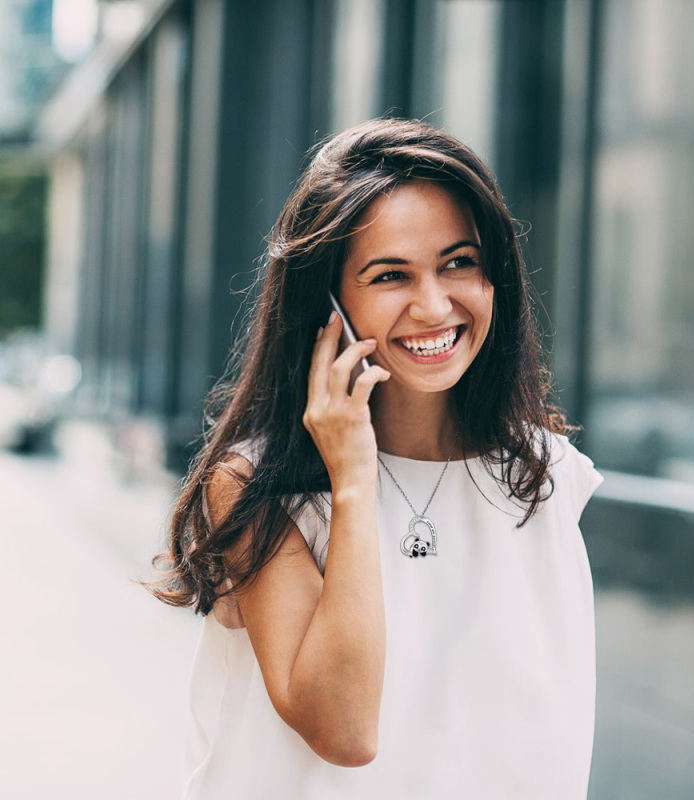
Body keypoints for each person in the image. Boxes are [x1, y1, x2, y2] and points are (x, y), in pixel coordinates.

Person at [150, 117, 602, 799]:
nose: (433, 304)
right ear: (328, 304)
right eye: (391, 275)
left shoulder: (547, 476)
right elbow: (344, 732)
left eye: (460, 263)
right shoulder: (253, 489)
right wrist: (353, 480)